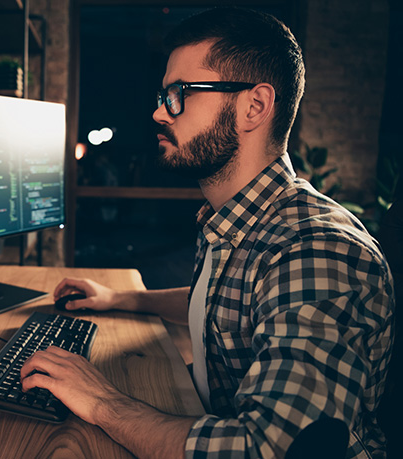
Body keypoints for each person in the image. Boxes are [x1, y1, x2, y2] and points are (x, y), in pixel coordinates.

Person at [20, 7, 394, 459]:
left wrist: (103, 402)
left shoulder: (315, 249)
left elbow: (265, 450)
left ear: (253, 106)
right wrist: (122, 299)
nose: (159, 112)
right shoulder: (244, 221)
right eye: (162, 95)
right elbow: (227, 304)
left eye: (179, 93)